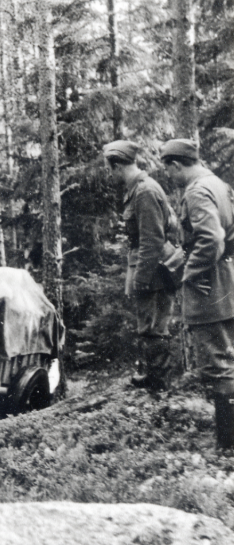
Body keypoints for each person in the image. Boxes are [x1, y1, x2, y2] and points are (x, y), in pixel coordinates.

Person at [161, 139, 234, 456]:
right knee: (227, 358)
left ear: (176, 165)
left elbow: (212, 239)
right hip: (224, 278)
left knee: (218, 364)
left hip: (209, 285)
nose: (169, 176)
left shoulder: (197, 191)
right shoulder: (218, 184)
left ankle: (228, 446)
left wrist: (188, 273)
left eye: (168, 170)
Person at [103, 140, 178, 391]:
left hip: (155, 269)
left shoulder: (144, 191)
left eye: (110, 169)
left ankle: (160, 385)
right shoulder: (137, 189)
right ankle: (154, 377)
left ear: (117, 166)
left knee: (155, 327)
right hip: (149, 266)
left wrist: (141, 278)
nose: (109, 174)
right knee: (148, 326)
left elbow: (152, 240)